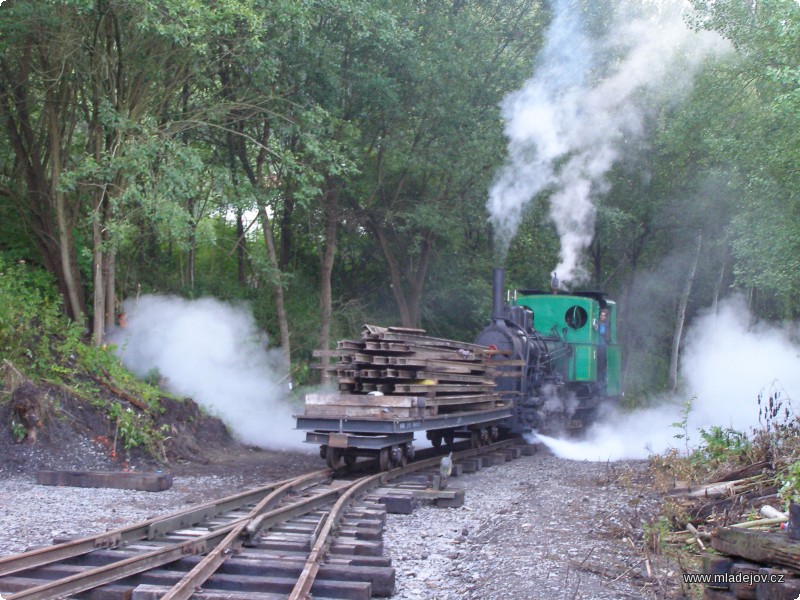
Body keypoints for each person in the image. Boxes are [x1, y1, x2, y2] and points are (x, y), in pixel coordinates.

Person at [592, 309, 611, 384]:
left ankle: (602, 380)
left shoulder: (606, 324)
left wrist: (596, 326)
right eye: (601, 315)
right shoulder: (599, 323)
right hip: (597, 344)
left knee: (602, 363)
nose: (602, 317)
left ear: (606, 317)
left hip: (602, 345)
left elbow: (602, 332)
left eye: (603, 315)